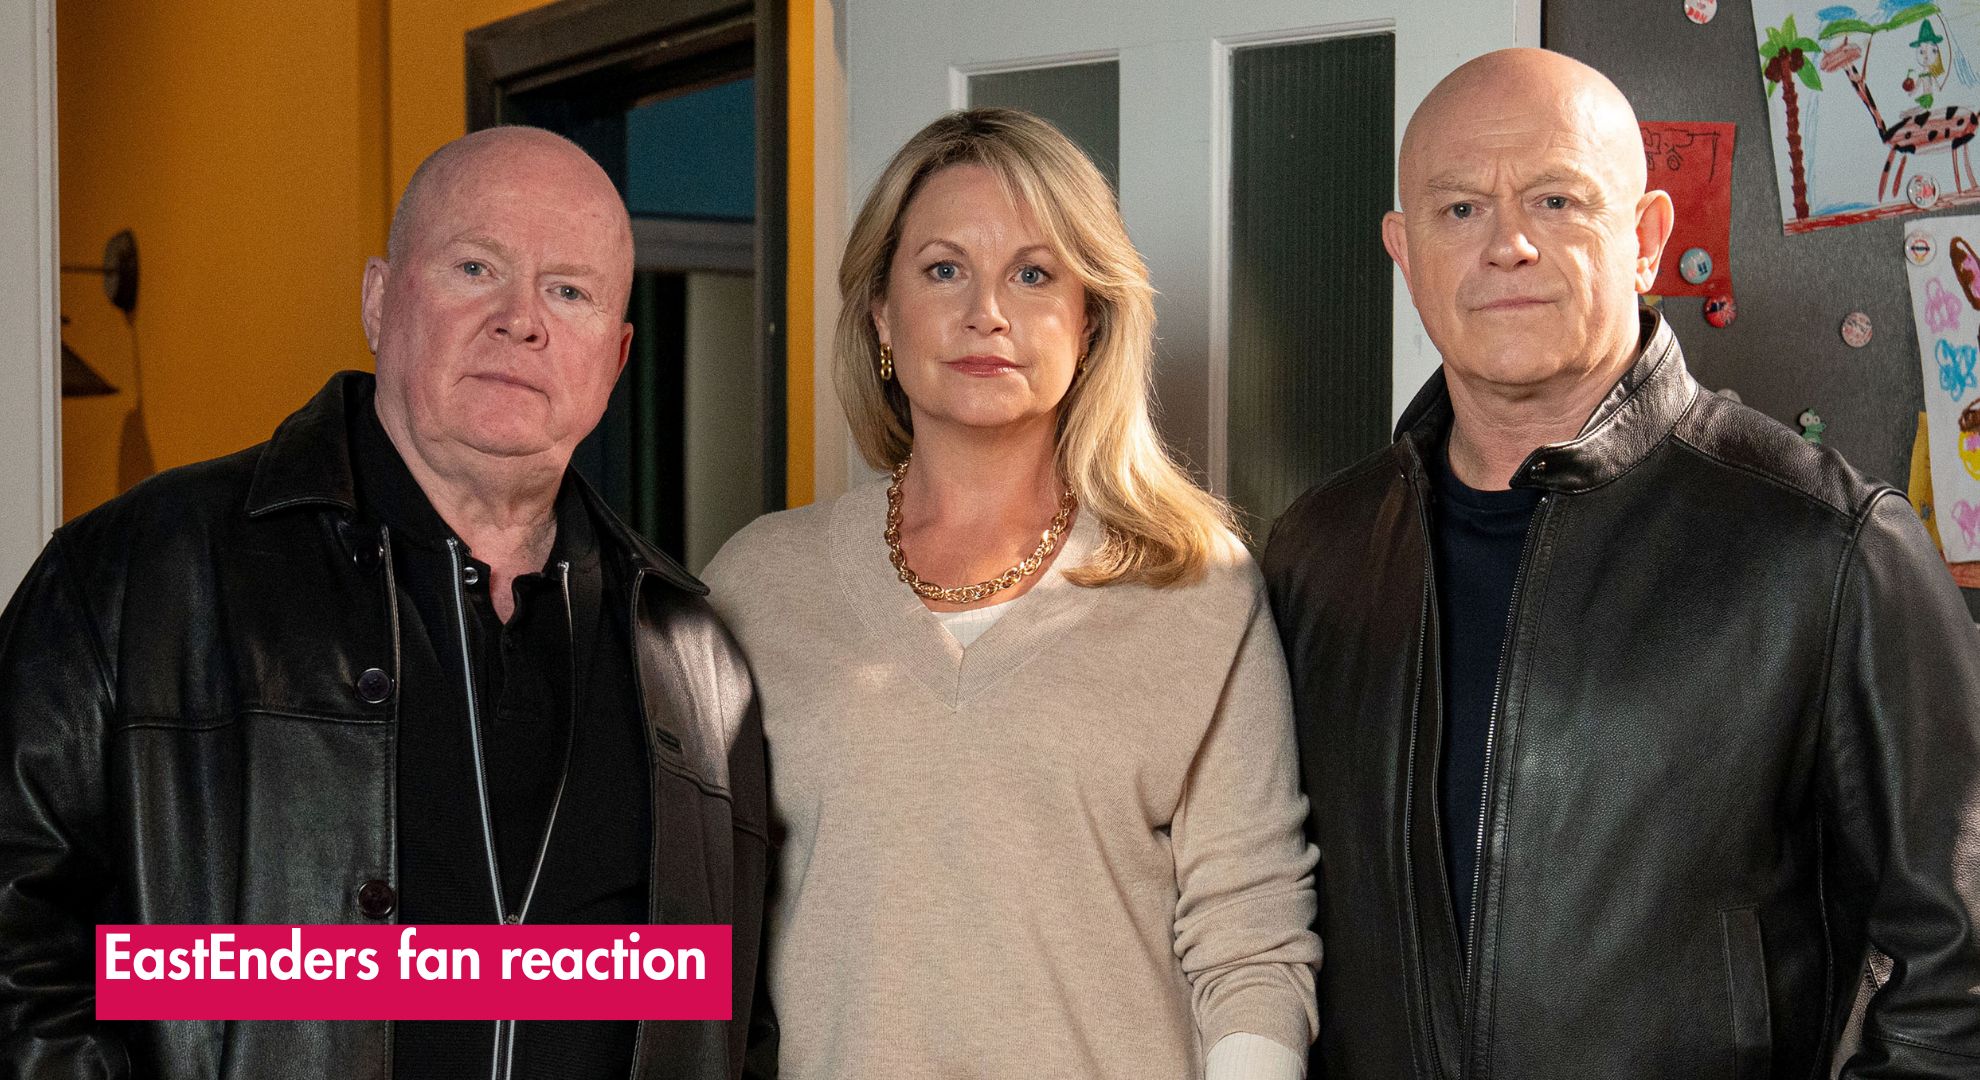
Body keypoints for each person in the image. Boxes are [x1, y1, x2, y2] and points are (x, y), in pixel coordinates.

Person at [1263, 48, 1980, 1076]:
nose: (1507, 244)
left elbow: (1956, 983)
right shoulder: (1316, 552)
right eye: (1459, 209)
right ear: (1405, 253)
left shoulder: (1829, 545)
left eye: (1555, 200)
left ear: (1645, 239)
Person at [0, 126, 767, 1080]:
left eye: (568, 291)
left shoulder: (696, 657)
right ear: (377, 299)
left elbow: (732, 1016)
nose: (521, 321)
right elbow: (17, 960)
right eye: (475, 268)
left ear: (614, 359)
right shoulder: (135, 575)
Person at [702, 109, 1319, 1080]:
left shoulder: (1195, 582)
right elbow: (689, 920)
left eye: (1034, 275)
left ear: (1091, 320)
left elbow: (1252, 937)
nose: (987, 311)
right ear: (881, 314)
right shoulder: (756, 583)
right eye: (944, 269)